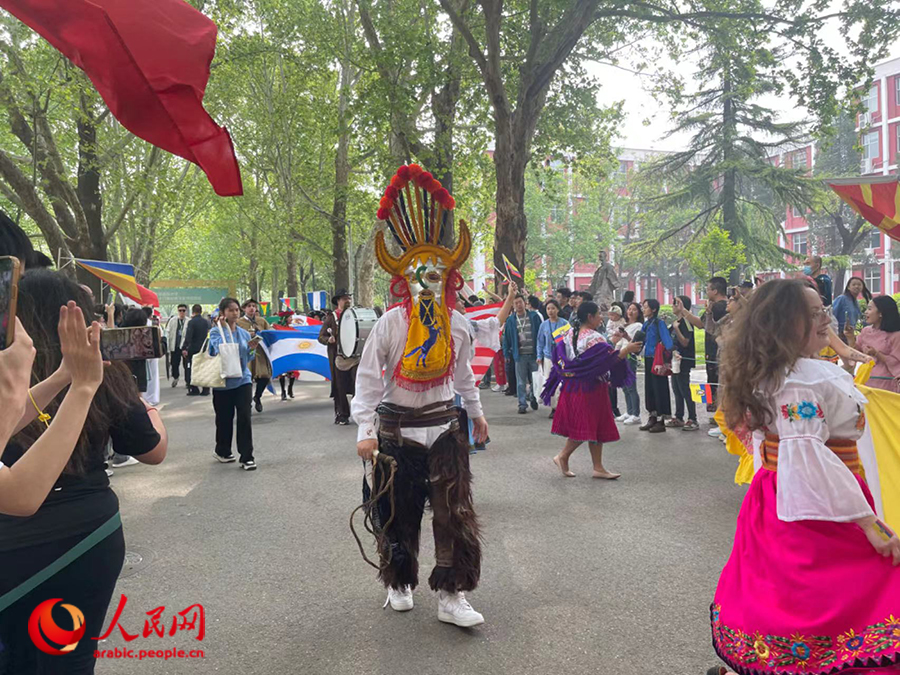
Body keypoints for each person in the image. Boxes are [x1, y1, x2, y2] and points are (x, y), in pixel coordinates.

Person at [708, 279, 900, 675]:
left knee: (788, 596)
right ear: (784, 324)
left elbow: (776, 447)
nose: (824, 319)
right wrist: (867, 522)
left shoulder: (780, 372)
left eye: (823, 310)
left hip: (783, 496)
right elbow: (808, 455)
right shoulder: (802, 381)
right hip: (816, 506)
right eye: (813, 314)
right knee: (838, 596)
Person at [0, 271, 167, 672]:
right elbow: (20, 495)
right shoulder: (100, 378)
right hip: (80, 539)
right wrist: (83, 385)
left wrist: (61, 377)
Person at [353, 164, 488, 627]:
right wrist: (365, 429)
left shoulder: (457, 323)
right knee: (397, 513)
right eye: (418, 276)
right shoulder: (391, 323)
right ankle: (399, 581)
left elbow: (464, 374)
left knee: (454, 513)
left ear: (446, 278)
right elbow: (369, 380)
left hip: (444, 428)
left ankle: (453, 595)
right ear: (405, 279)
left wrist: (477, 413)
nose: (426, 284)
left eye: (435, 276)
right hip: (397, 431)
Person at [544, 301, 643, 479]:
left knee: (594, 426)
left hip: (573, 386)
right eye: (598, 314)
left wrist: (613, 341)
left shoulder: (569, 334)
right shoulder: (593, 337)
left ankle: (597, 467)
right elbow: (605, 361)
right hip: (590, 387)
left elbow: (570, 357)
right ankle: (563, 456)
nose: (601, 317)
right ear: (590, 317)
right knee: (587, 425)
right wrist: (627, 349)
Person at [209, 297, 257, 470]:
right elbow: (216, 351)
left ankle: (247, 456)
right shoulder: (215, 332)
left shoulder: (244, 333)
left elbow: (248, 357)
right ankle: (222, 450)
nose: (235, 313)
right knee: (224, 419)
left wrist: (252, 347)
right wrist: (223, 330)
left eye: (237, 309)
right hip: (222, 381)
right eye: (231, 310)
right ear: (223, 313)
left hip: (243, 379)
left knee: (244, 416)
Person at [681, 277, 728, 417]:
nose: (706, 292)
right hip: (717, 348)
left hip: (716, 349)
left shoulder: (717, 307)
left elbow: (702, 325)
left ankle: (719, 415)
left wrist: (684, 311)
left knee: (715, 381)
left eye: (707, 289)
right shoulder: (718, 305)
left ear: (715, 290)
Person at [318, 289, 359, 425]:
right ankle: (343, 414)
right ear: (338, 301)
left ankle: (360, 412)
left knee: (357, 384)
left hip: (355, 357)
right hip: (339, 357)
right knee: (340, 387)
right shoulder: (331, 317)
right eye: (344, 298)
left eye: (349, 298)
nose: (347, 300)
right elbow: (321, 336)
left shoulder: (355, 314)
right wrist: (328, 340)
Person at [851, 295, 900, 393]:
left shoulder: (896, 335)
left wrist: (877, 354)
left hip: (886, 386)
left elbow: (897, 362)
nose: (865, 312)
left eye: (869, 309)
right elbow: (854, 352)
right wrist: (849, 337)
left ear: (881, 313)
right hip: (865, 382)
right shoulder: (865, 331)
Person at [503, 294, 542, 414]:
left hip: (534, 355)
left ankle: (534, 398)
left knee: (534, 380)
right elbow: (506, 338)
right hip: (519, 355)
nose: (518, 305)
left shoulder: (534, 316)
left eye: (520, 302)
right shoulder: (510, 320)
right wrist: (506, 354)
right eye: (515, 303)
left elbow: (540, 335)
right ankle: (522, 404)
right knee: (520, 381)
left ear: (524, 303)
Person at [638, 299, 672, 433]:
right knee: (650, 389)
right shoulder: (646, 324)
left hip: (658, 360)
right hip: (648, 359)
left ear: (653, 309)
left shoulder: (659, 323)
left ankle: (661, 420)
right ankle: (652, 416)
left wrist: (668, 354)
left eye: (646, 307)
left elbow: (667, 342)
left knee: (660, 389)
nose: (643, 309)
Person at [237, 299, 272, 413]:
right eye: (249, 306)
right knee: (247, 380)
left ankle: (257, 396)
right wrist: (247, 335)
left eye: (253, 306)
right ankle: (247, 404)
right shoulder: (239, 322)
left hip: (260, 353)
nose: (252, 308)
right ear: (244, 309)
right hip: (246, 353)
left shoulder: (261, 321)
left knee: (265, 376)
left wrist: (260, 331)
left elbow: (270, 333)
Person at [610, 302, 643, 425]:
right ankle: (629, 412)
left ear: (638, 313)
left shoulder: (638, 326)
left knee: (631, 387)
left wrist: (626, 336)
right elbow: (619, 342)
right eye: (629, 309)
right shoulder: (626, 325)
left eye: (634, 310)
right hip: (621, 356)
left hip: (630, 356)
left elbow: (634, 342)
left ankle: (636, 414)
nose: (631, 311)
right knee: (624, 386)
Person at [537, 299, 570, 418]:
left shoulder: (564, 324)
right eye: (548, 309)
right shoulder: (544, 325)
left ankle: (563, 406)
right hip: (548, 357)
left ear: (558, 309)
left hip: (562, 357)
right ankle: (554, 408)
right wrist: (539, 356)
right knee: (550, 382)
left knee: (562, 383)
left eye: (553, 308)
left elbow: (570, 341)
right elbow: (540, 341)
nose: (550, 311)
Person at [670, 295, 698, 431]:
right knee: (676, 388)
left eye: (675, 303)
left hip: (684, 360)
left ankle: (693, 418)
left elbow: (685, 342)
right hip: (675, 360)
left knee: (685, 389)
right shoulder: (676, 322)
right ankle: (679, 416)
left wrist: (676, 329)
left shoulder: (686, 322)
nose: (672, 306)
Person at [182, 304, 210, 396]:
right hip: (204, 348)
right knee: (204, 369)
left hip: (193, 349)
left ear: (193, 311)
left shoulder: (191, 322)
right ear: (201, 311)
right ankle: (206, 389)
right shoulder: (206, 322)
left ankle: (194, 389)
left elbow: (188, 336)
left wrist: (185, 347)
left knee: (191, 368)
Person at [605, 303, 626, 419]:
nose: (612, 317)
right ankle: (610, 408)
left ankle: (614, 408)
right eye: (610, 315)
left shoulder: (622, 321)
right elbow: (609, 331)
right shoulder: (609, 323)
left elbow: (622, 332)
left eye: (614, 315)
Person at [165, 304, 189, 387]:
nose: (182, 312)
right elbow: (167, 332)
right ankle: (176, 377)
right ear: (177, 311)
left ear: (186, 311)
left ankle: (187, 381)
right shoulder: (173, 320)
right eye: (180, 310)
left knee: (186, 365)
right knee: (174, 363)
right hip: (175, 345)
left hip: (185, 347)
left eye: (183, 310)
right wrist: (167, 346)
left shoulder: (188, 321)